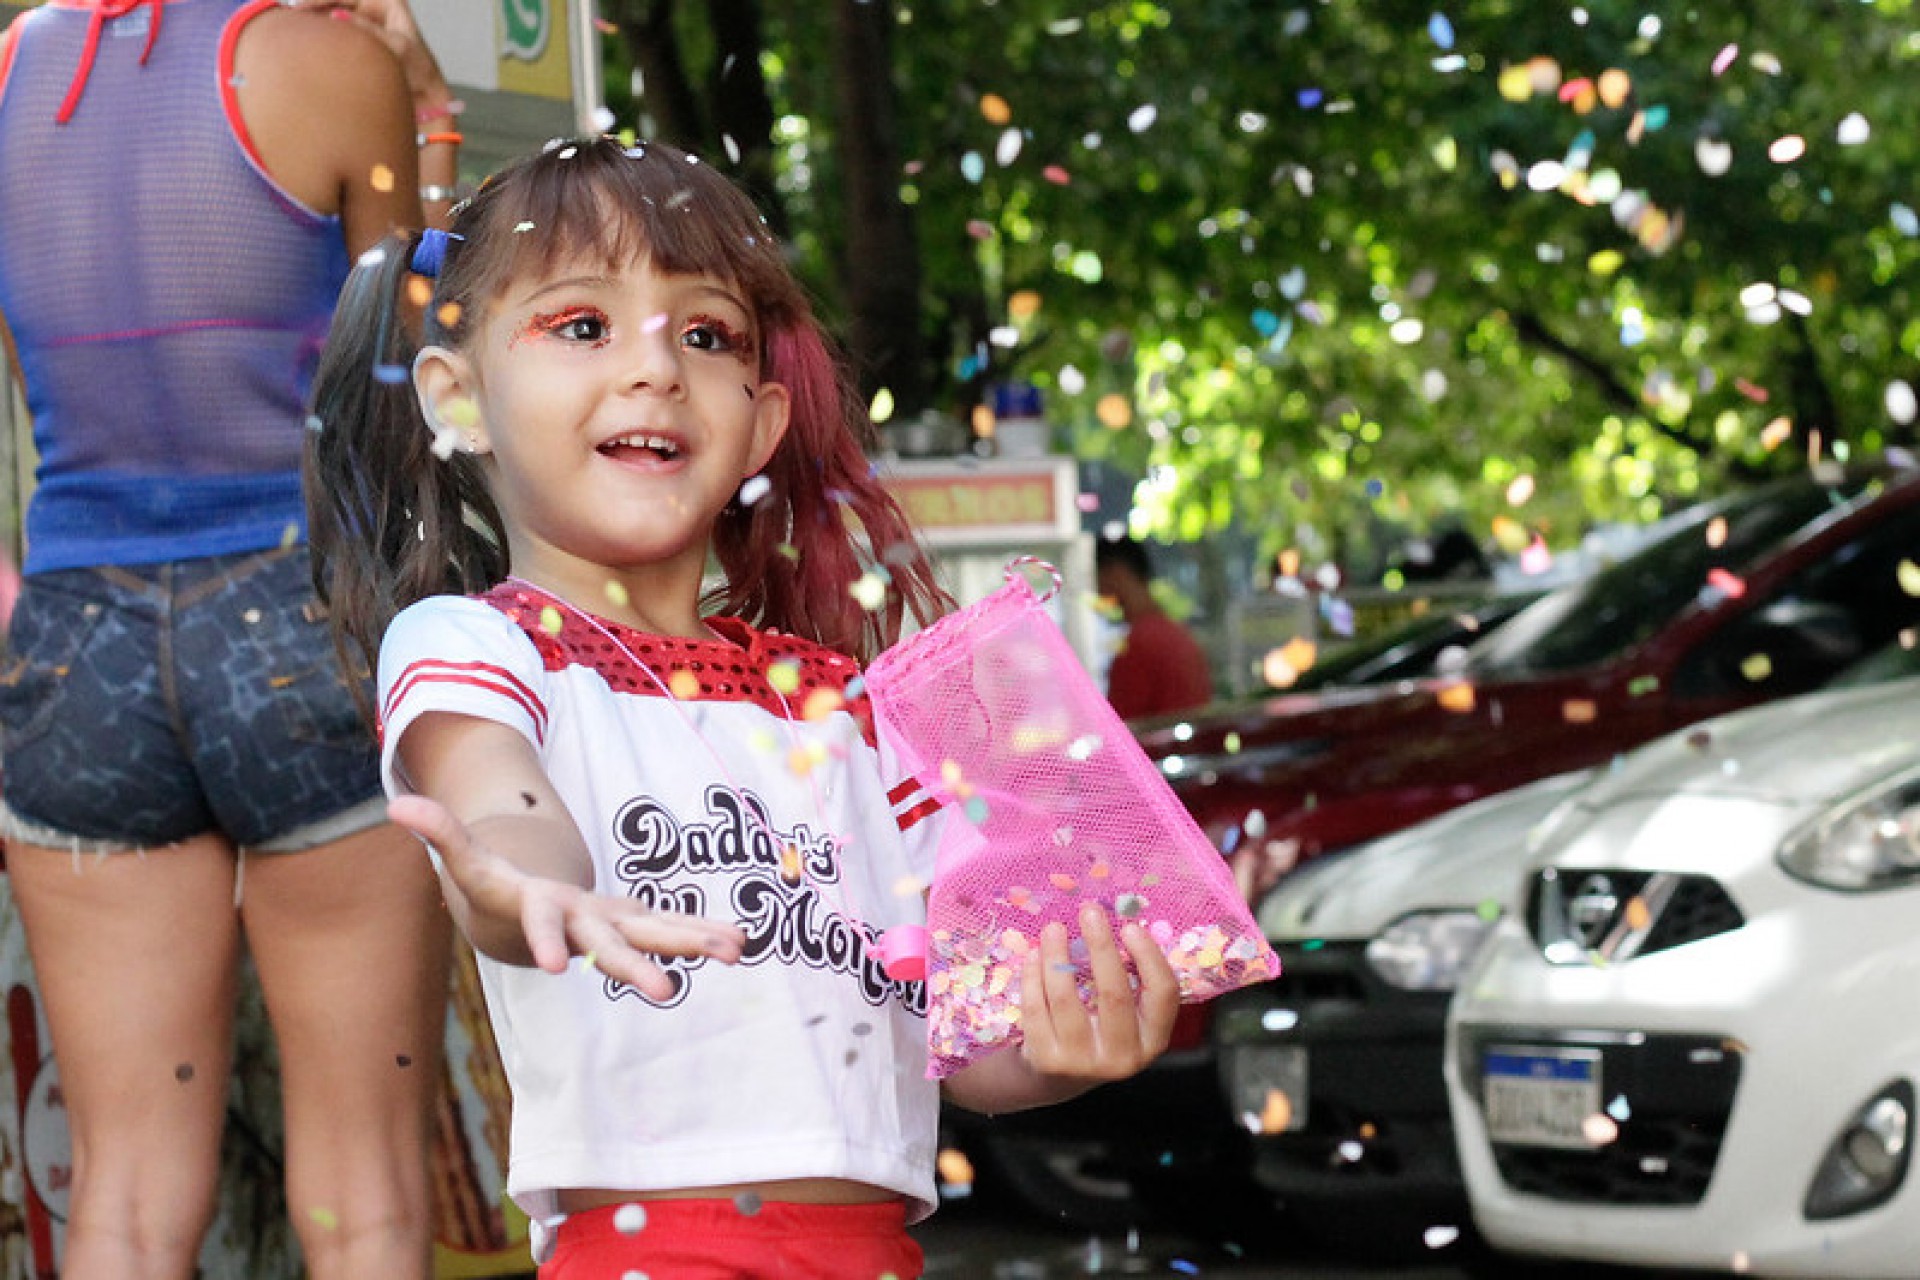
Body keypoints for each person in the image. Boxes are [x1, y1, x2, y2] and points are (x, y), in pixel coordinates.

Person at [304, 135, 1182, 1279]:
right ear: (458, 398)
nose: (656, 366)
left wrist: (1072, 1036)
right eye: (583, 326)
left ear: (760, 425)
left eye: (705, 334)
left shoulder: (853, 711)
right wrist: (527, 888)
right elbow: (502, 807)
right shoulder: (476, 640)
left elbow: (969, 1051)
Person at [0, 1, 459, 1276]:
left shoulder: (5, 80)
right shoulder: (332, 62)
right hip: (300, 622)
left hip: (72, 642)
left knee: (126, 1194)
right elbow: (411, 366)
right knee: (365, 1193)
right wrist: (427, 111)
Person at [1094, 534, 1215, 719]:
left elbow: (1122, 731)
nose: (1098, 590)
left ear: (1116, 572)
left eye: (1099, 576)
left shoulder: (1138, 646)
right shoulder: (1177, 633)